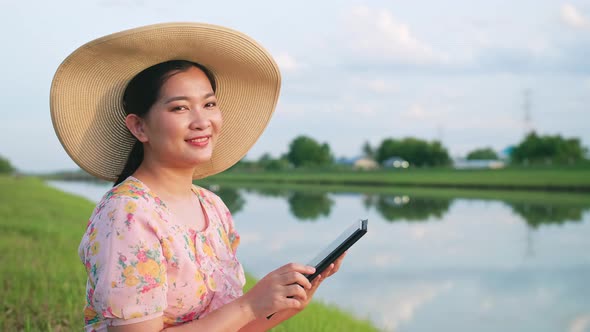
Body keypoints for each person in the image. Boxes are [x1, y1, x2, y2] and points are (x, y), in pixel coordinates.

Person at [50, 22, 345, 332]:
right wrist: (249, 304)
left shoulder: (213, 207)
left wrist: (291, 297)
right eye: (180, 108)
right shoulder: (127, 214)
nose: (202, 121)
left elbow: (236, 327)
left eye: (209, 104)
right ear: (139, 127)